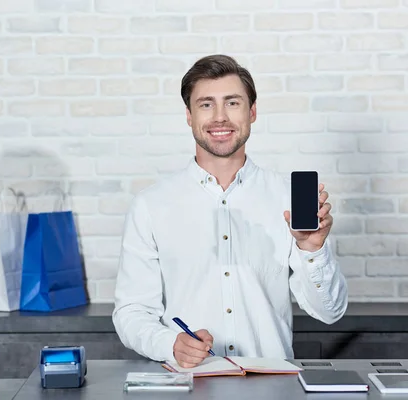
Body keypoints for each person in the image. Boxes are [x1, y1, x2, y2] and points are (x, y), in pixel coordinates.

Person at [112, 54, 348, 368]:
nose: (220, 117)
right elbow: (131, 312)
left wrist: (312, 250)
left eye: (232, 103)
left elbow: (329, 312)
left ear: (252, 112)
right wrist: (170, 344)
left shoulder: (287, 197)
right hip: (191, 384)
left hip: (272, 385)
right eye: (206, 104)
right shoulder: (151, 206)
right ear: (189, 115)